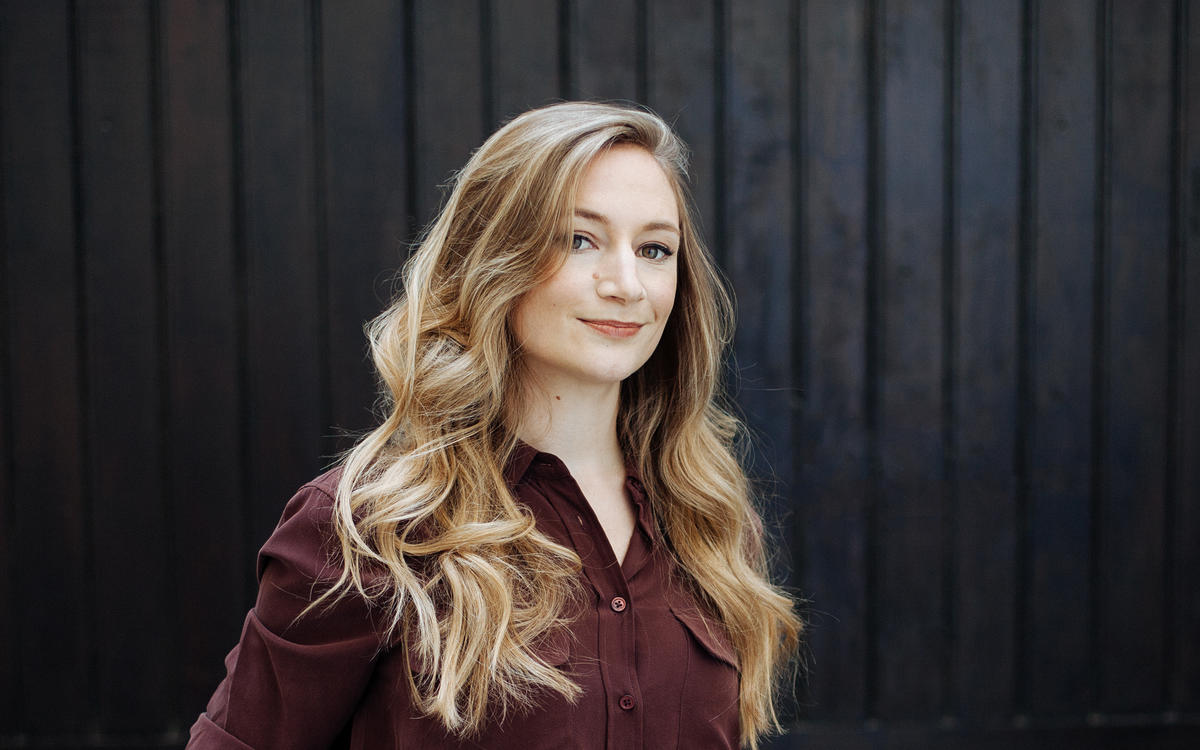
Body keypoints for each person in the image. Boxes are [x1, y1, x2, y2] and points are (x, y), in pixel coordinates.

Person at [188, 101, 801, 749]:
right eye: (579, 239)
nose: (627, 283)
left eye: (654, 249)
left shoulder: (709, 523)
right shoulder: (373, 527)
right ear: (494, 259)